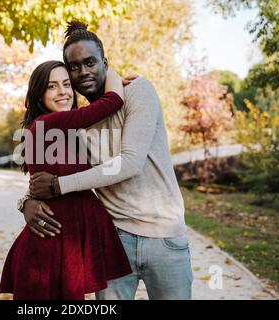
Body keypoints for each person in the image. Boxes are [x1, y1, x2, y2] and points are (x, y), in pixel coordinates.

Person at [21, 21, 194, 300]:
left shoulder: (138, 91)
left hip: (164, 237)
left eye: (90, 62)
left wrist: (59, 186)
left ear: (105, 62)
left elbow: (129, 162)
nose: (83, 72)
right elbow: (48, 172)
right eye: (74, 67)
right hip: (113, 239)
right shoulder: (76, 122)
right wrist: (26, 201)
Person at [0, 60, 133, 300]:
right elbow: (113, 102)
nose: (62, 92)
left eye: (66, 84)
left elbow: (43, 186)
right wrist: (109, 73)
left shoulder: (65, 130)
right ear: (39, 95)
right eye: (52, 86)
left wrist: (25, 201)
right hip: (51, 245)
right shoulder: (48, 123)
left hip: (63, 240)